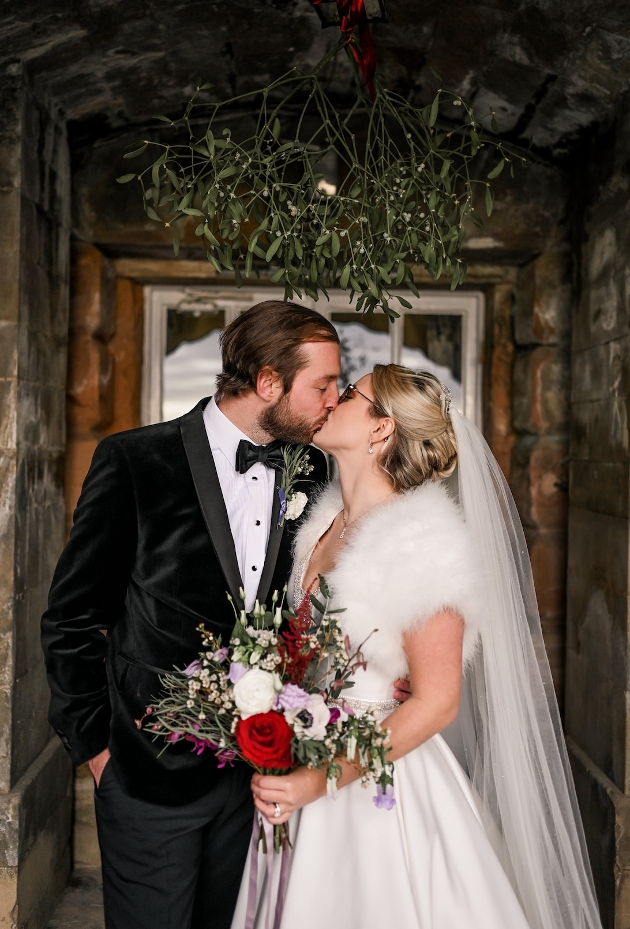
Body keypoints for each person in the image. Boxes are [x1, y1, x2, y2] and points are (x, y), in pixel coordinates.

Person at [241, 365, 603, 929]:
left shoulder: (423, 542)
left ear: (381, 429)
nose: (332, 399)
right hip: (303, 754)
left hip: (379, 785)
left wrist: (324, 777)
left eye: (351, 393)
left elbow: (436, 702)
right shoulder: (325, 522)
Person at [41, 300, 358, 929]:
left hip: (257, 778)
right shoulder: (133, 460)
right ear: (268, 383)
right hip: (145, 774)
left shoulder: (319, 471)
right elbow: (72, 618)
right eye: (322, 385)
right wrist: (99, 751)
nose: (333, 399)